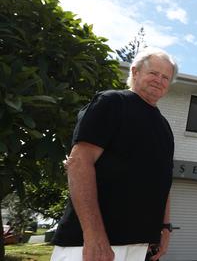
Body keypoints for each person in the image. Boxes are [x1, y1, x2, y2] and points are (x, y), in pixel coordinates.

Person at [51, 48, 178, 261]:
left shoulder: (164, 127)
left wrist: (165, 227)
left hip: (139, 245)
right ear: (135, 72)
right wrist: (93, 234)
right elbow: (78, 163)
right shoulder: (112, 103)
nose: (159, 80)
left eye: (165, 77)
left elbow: (163, 181)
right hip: (90, 244)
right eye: (153, 73)